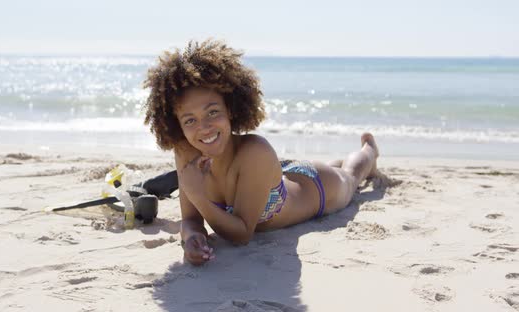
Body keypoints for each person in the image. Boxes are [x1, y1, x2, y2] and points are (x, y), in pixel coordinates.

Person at [143, 39, 380, 266]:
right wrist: (192, 238)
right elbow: (192, 220)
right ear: (177, 124)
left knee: (350, 177)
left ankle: (369, 151)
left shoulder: (254, 151)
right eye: (190, 120)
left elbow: (242, 233)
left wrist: (198, 196)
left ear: (231, 109)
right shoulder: (186, 151)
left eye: (213, 112)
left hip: (318, 189)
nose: (203, 127)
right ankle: (337, 161)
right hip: (275, 174)